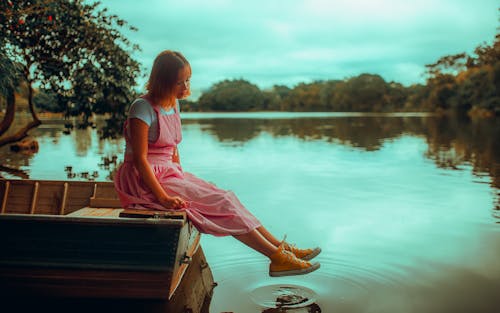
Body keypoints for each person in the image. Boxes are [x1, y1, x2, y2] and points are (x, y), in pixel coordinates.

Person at [114, 50, 321, 277]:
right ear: (162, 82)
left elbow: (173, 148)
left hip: (170, 173)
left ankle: (280, 249)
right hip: (143, 179)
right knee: (220, 202)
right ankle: (277, 257)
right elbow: (140, 159)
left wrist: (183, 177)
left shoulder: (173, 104)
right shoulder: (142, 108)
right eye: (178, 83)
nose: (185, 88)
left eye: (187, 80)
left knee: (226, 197)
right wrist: (163, 197)